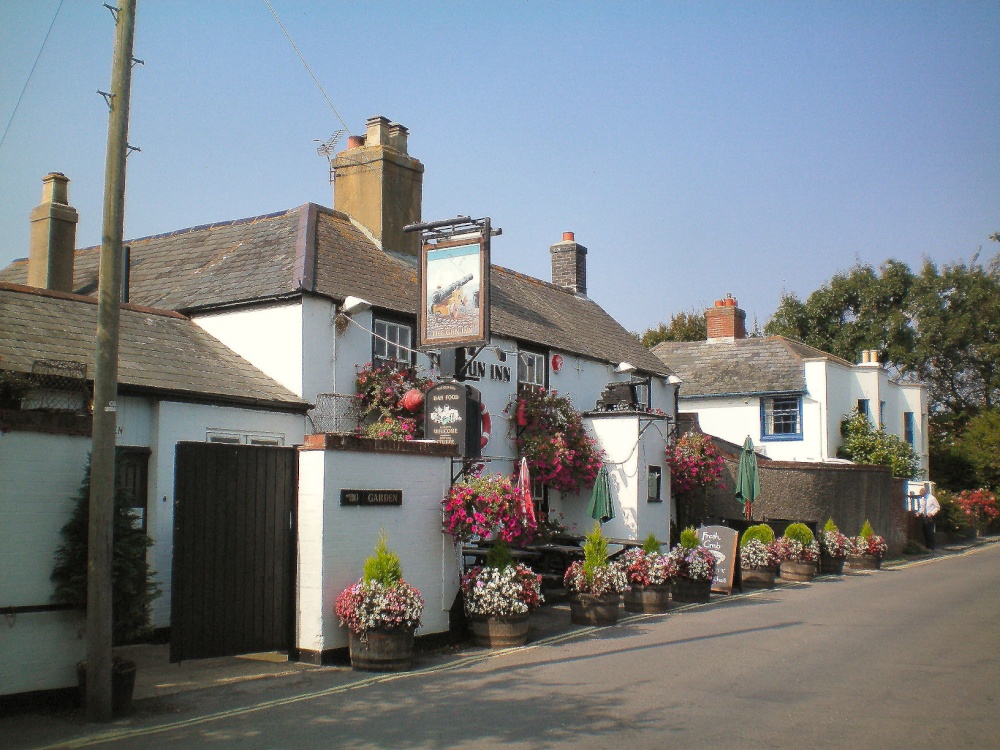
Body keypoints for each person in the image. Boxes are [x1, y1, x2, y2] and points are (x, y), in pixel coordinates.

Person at [912, 482, 940, 550]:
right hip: (924, 517)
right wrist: (918, 513)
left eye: (922, 494)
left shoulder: (932, 498)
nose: (921, 496)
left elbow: (937, 507)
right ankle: (927, 547)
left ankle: (931, 547)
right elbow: (922, 508)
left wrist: (932, 513)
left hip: (930, 517)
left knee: (930, 532)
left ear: (925, 492)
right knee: (925, 532)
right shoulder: (923, 499)